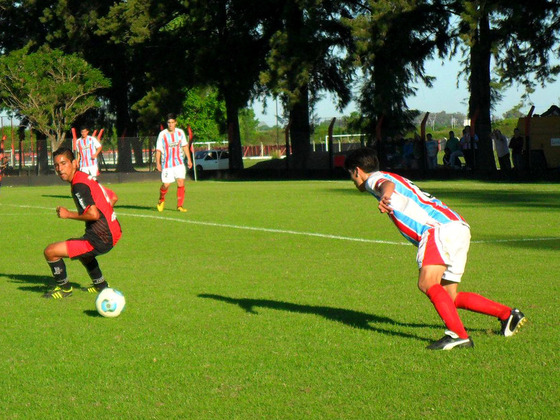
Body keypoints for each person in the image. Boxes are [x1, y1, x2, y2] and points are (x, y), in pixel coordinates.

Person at [343, 147, 526, 350]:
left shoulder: (373, 180)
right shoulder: (387, 175)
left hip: (437, 229)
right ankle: (507, 314)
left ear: (357, 171)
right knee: (449, 297)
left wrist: (385, 196)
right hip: (457, 226)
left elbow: (386, 185)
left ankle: (458, 336)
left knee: (427, 282)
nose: (352, 180)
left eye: (350, 174)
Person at [43, 147, 121, 299]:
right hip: (114, 231)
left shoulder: (79, 185)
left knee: (50, 251)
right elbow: (113, 197)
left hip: (101, 238)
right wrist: (106, 217)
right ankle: (101, 285)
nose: (59, 169)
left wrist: (68, 214)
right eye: (56, 165)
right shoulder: (85, 177)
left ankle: (64, 289)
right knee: (83, 254)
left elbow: (93, 214)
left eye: (64, 163)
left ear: (74, 163)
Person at [155, 113, 193, 212]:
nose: (171, 124)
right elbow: (158, 149)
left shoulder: (180, 133)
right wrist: (158, 163)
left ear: (175, 122)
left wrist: (189, 159)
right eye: (169, 123)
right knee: (166, 185)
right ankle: (161, 199)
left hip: (179, 163)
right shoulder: (162, 134)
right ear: (167, 123)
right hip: (167, 164)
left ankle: (180, 206)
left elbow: (185, 146)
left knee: (181, 182)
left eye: (172, 122)